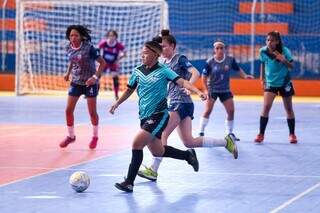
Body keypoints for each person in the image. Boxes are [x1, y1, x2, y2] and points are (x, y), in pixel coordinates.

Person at [138, 30, 238, 182]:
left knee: (161, 135)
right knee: (189, 142)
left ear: (173, 46)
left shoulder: (179, 59)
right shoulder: (162, 63)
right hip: (181, 104)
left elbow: (195, 72)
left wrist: (190, 86)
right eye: (160, 47)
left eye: (164, 46)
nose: (162, 49)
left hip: (179, 103)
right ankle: (225, 142)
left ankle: (153, 170)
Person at [109, 37, 207, 192]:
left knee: (136, 144)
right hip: (144, 116)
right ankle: (188, 156)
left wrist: (198, 91)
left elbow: (183, 82)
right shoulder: (137, 71)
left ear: (155, 54)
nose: (143, 56)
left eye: (146, 53)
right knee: (158, 151)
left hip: (159, 115)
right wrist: (117, 103)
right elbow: (129, 90)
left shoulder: (164, 71)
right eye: (142, 53)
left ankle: (129, 182)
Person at [59, 25, 106, 149]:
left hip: (90, 83)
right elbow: (72, 60)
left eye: (76, 35)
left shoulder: (89, 48)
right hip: (76, 82)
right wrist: (68, 73)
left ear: (81, 36)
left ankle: (95, 136)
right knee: (68, 110)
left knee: (92, 112)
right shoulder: (68, 47)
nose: (73, 38)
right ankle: (71, 136)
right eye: (71, 36)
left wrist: (95, 78)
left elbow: (102, 63)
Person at [198, 40, 254, 139]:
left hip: (225, 90)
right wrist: (206, 90)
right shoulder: (210, 62)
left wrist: (245, 76)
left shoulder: (230, 60)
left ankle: (229, 133)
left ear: (224, 49)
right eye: (217, 48)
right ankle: (201, 131)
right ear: (214, 50)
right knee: (208, 110)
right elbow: (204, 77)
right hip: (213, 89)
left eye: (221, 48)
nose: (219, 50)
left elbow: (238, 69)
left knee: (231, 111)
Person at [254, 31, 297, 144]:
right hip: (270, 83)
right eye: (267, 40)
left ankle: (292, 134)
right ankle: (261, 134)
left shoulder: (285, 51)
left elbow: (292, 66)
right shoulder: (262, 51)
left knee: (288, 109)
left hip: (285, 83)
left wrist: (283, 60)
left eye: (272, 40)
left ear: (277, 41)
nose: (269, 42)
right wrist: (262, 78)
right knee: (266, 107)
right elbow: (263, 63)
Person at [98, 30, 126, 100]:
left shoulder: (118, 45)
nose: (111, 37)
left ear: (115, 37)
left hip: (113, 63)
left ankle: (116, 95)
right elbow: (97, 50)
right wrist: (99, 59)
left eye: (113, 36)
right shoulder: (104, 43)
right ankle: (92, 92)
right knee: (97, 76)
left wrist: (118, 59)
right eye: (110, 36)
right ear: (107, 37)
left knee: (115, 77)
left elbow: (124, 53)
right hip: (104, 62)